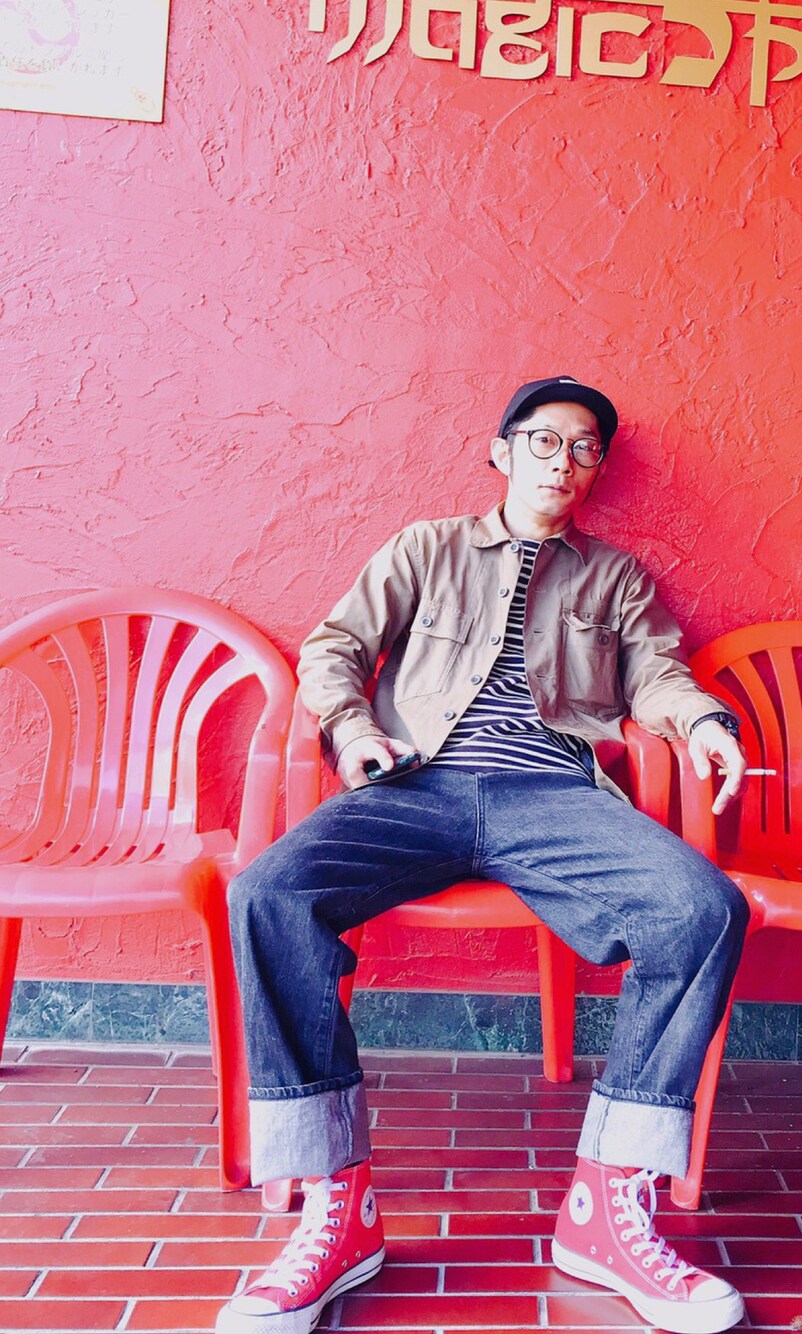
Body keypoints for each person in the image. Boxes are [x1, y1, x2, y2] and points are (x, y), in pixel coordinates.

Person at [216, 377, 751, 1334]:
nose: (564, 460)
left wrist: (705, 721)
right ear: (502, 453)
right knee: (268, 894)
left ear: (595, 471)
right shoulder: (425, 548)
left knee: (701, 908)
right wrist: (352, 734)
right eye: (544, 440)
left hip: (553, 798)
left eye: (584, 448)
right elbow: (335, 648)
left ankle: (607, 1210)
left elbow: (659, 674)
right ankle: (338, 1210)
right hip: (413, 784)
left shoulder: (616, 578)